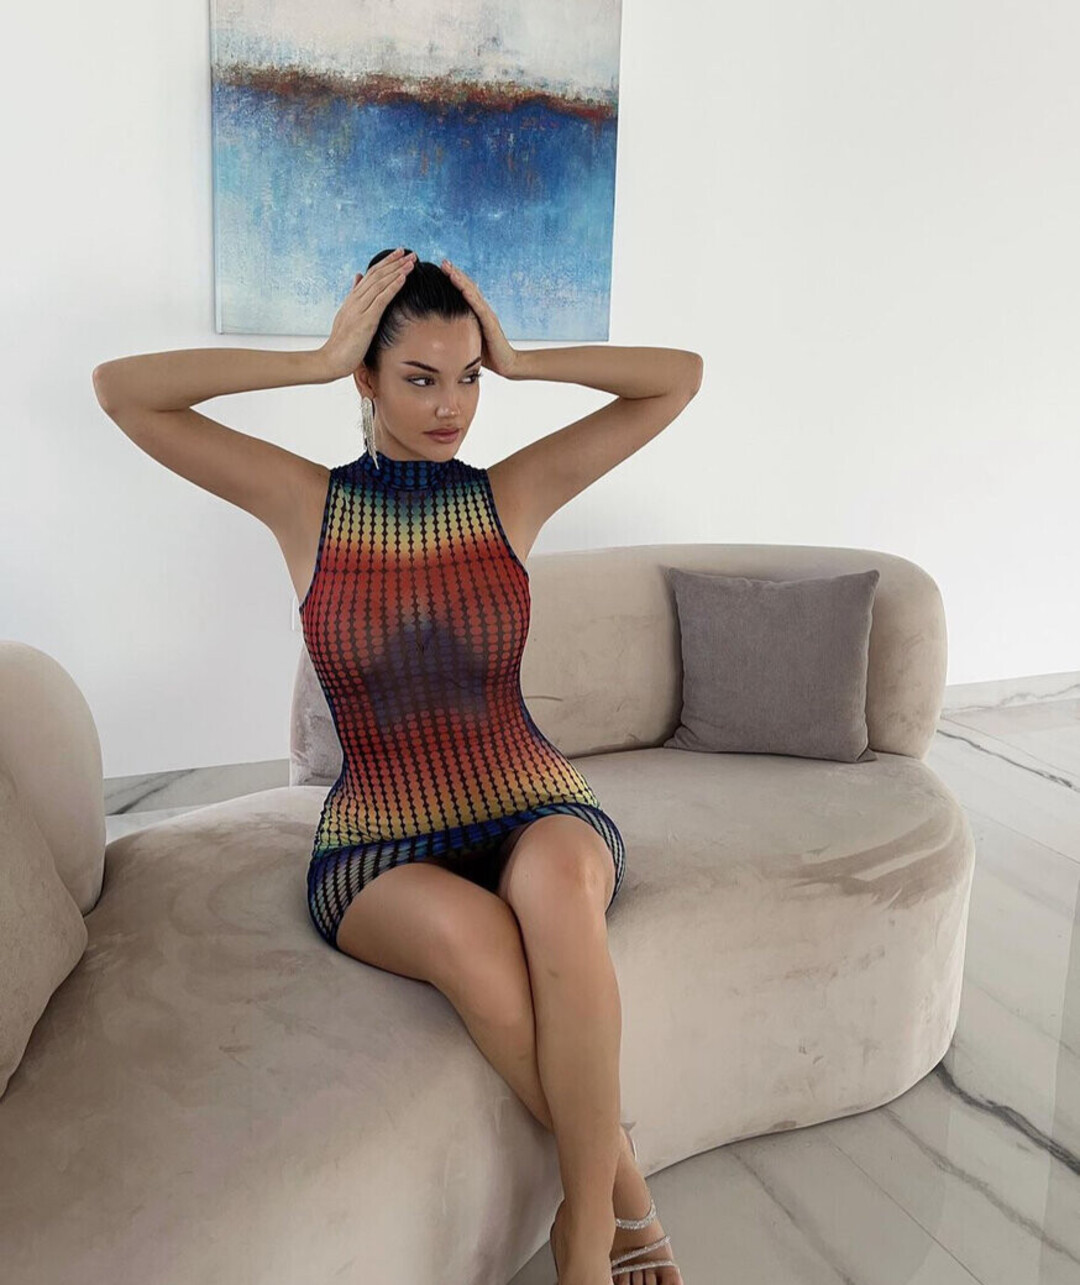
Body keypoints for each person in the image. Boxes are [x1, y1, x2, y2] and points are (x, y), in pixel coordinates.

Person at [92, 248, 702, 1283]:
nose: (451, 405)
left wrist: (522, 358)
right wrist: (310, 361)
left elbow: (677, 378)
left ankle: (583, 1242)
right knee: (477, 945)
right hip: (379, 835)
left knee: (559, 891)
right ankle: (624, 1202)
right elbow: (123, 391)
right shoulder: (306, 505)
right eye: (420, 377)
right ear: (367, 379)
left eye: (467, 377)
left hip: (528, 793)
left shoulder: (509, 494)